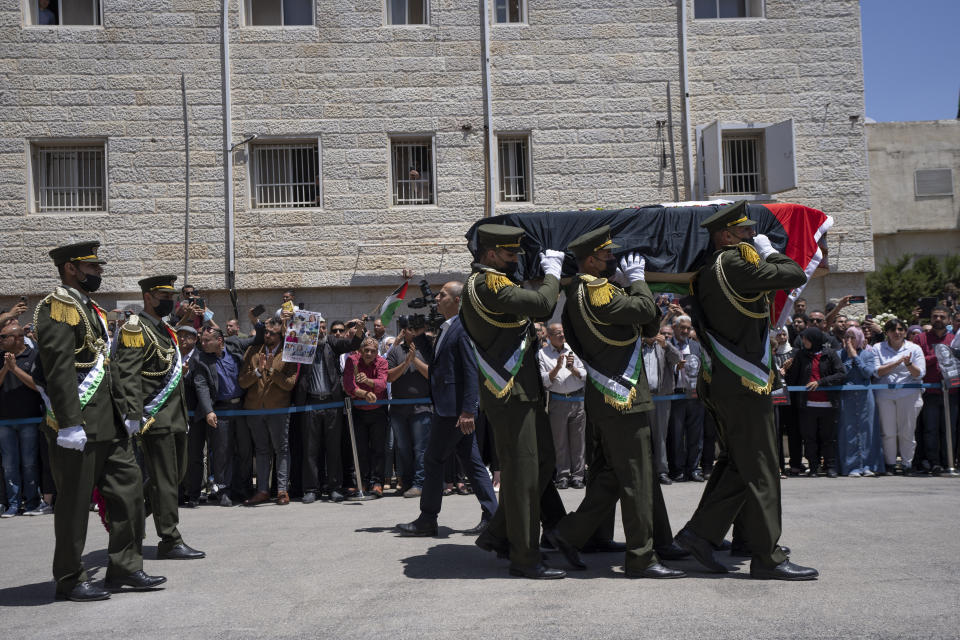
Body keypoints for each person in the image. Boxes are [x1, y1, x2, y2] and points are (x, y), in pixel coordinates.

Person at [674, 201, 817, 581]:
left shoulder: (710, 269)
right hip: (741, 382)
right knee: (763, 466)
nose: (752, 236)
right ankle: (766, 556)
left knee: (738, 462)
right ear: (724, 236)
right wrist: (771, 252)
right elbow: (794, 273)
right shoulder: (734, 264)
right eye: (744, 233)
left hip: (726, 380)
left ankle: (700, 535)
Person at [543, 227, 685, 579]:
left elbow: (647, 320)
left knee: (611, 474)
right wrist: (636, 280)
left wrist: (628, 287)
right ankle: (641, 557)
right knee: (636, 477)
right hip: (622, 397)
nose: (614, 259)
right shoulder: (595, 290)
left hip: (605, 398)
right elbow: (645, 311)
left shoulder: (579, 291)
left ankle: (569, 533)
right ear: (591, 259)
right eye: (607, 255)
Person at [34, 242, 164, 601]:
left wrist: (128, 412)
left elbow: (109, 368)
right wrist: (70, 422)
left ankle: (124, 566)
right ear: (71, 269)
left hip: (110, 424)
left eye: (98, 266)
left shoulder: (89, 308)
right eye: (91, 267)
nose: (98, 272)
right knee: (74, 504)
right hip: (79, 425)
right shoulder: (58, 307)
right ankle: (70, 578)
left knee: (129, 492)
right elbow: (59, 368)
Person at [460, 224, 568, 579]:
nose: (516, 259)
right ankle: (524, 555)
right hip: (510, 393)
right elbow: (542, 305)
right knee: (522, 475)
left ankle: (499, 533)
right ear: (490, 254)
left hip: (523, 391)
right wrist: (553, 273)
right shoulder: (488, 283)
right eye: (510, 253)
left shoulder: (497, 282)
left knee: (543, 464)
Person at [113, 275, 205, 560]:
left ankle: (132, 513)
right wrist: (132, 413)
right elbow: (125, 373)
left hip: (175, 414)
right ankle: (169, 538)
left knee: (174, 477)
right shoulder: (134, 327)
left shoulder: (166, 329)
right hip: (155, 417)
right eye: (163, 297)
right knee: (165, 479)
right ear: (148, 297)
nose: (169, 301)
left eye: (170, 297)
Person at [396, 282, 498, 536]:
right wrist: (419, 337)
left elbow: (470, 371)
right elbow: (439, 363)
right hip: (449, 407)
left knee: (433, 459)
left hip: (453, 411)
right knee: (472, 462)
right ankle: (494, 517)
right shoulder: (446, 328)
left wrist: (467, 411)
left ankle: (428, 519)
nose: (437, 298)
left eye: (442, 295)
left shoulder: (462, 330)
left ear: (457, 300)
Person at [295, 316, 364, 503]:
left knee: (333, 449)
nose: (322, 331)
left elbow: (352, 344)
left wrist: (358, 331)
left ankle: (334, 488)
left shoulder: (332, 343)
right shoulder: (303, 348)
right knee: (310, 449)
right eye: (318, 327)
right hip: (311, 404)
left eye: (324, 327)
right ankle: (311, 489)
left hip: (332, 404)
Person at [237, 317, 298, 505]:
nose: (267, 335)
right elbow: (242, 382)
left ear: (280, 334)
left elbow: (289, 384)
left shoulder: (289, 353)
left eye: (272, 332)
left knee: (281, 449)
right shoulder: (253, 351)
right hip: (255, 409)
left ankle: (281, 490)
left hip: (278, 409)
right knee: (262, 450)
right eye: (265, 331)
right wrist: (258, 371)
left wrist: (272, 371)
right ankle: (262, 490)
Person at [783, 327, 847, 478]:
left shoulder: (829, 354)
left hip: (828, 404)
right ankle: (813, 467)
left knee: (828, 438)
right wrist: (788, 370)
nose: (803, 341)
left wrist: (821, 382)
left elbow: (841, 374)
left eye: (806, 338)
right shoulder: (801, 355)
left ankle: (830, 466)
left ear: (814, 339)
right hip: (807, 405)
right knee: (809, 439)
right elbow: (794, 380)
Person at [192, 327, 245, 505]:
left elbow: (256, 339)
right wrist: (208, 411)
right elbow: (201, 386)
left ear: (220, 340)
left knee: (243, 451)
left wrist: (257, 322)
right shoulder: (200, 359)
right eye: (202, 340)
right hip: (220, 411)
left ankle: (241, 488)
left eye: (207, 340)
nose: (203, 344)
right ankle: (223, 490)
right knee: (222, 453)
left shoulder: (235, 351)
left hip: (243, 409)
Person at [0, 319, 44, 517]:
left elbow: (37, 385)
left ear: (17, 338)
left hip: (30, 419)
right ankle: (13, 504)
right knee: (9, 465)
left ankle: (33, 502)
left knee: (29, 464)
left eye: (4, 337)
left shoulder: (34, 355)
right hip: (5, 421)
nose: (0, 340)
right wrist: (6, 368)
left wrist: (15, 368)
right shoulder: (1, 357)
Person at [537, 322, 587, 490]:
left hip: (577, 400)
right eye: (557, 333)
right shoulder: (542, 354)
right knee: (560, 441)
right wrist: (558, 367)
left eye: (562, 332)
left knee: (578, 441)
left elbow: (585, 375)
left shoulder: (573, 349)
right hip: (558, 401)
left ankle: (578, 475)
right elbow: (544, 380)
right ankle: (563, 475)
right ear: (549, 337)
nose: (561, 335)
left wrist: (572, 369)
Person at [386, 321, 433, 497]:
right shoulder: (395, 351)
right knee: (403, 448)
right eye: (409, 329)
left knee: (421, 448)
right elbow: (389, 377)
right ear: (403, 331)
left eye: (415, 329)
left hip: (421, 408)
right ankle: (407, 482)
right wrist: (405, 363)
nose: (412, 332)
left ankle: (420, 484)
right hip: (399, 409)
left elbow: (431, 374)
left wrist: (415, 360)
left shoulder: (427, 349)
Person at [874, 318, 925, 475]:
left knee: (907, 432)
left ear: (905, 332)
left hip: (909, 394)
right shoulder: (878, 347)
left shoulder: (914, 348)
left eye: (900, 329)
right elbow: (877, 372)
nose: (897, 333)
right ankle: (889, 464)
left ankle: (906, 464)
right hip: (885, 394)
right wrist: (897, 363)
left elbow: (920, 374)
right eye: (893, 330)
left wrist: (908, 364)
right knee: (888, 432)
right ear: (887, 333)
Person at [912, 306, 957, 474]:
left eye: (942, 317)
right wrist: (938, 355)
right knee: (930, 429)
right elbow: (917, 361)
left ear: (949, 320)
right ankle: (934, 462)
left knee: (950, 430)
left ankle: (949, 462)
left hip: (951, 393)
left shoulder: (954, 339)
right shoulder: (921, 339)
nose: (938, 319)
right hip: (929, 393)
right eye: (935, 316)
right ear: (930, 318)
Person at [342, 337, 389, 496]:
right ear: (361, 350)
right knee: (360, 449)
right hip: (358, 411)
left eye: (373, 351)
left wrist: (368, 381)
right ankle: (361, 482)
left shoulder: (382, 362)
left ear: (377, 352)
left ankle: (377, 483)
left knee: (378, 449)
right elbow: (349, 386)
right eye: (366, 350)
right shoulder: (352, 360)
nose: (369, 353)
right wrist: (365, 393)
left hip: (378, 411)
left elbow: (382, 384)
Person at [837, 326, 885, 476]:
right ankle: (851, 467)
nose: (849, 341)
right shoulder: (839, 355)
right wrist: (849, 357)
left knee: (867, 430)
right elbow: (841, 374)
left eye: (852, 337)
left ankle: (868, 465)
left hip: (865, 397)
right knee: (849, 430)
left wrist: (855, 357)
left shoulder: (868, 354)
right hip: (847, 396)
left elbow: (867, 373)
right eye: (847, 337)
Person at [668, 314, 705, 482]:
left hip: (695, 397)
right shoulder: (667, 346)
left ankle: (694, 469)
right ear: (674, 327)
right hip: (676, 396)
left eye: (688, 328)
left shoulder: (696, 347)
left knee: (695, 435)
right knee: (676, 435)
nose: (685, 330)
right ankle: (678, 470)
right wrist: (676, 368)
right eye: (681, 327)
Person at [645, 324, 682, 485]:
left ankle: (661, 471)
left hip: (662, 397)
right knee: (643, 436)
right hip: (643, 398)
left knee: (660, 436)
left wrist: (666, 345)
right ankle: (645, 471)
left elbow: (677, 359)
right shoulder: (637, 348)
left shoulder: (664, 347)